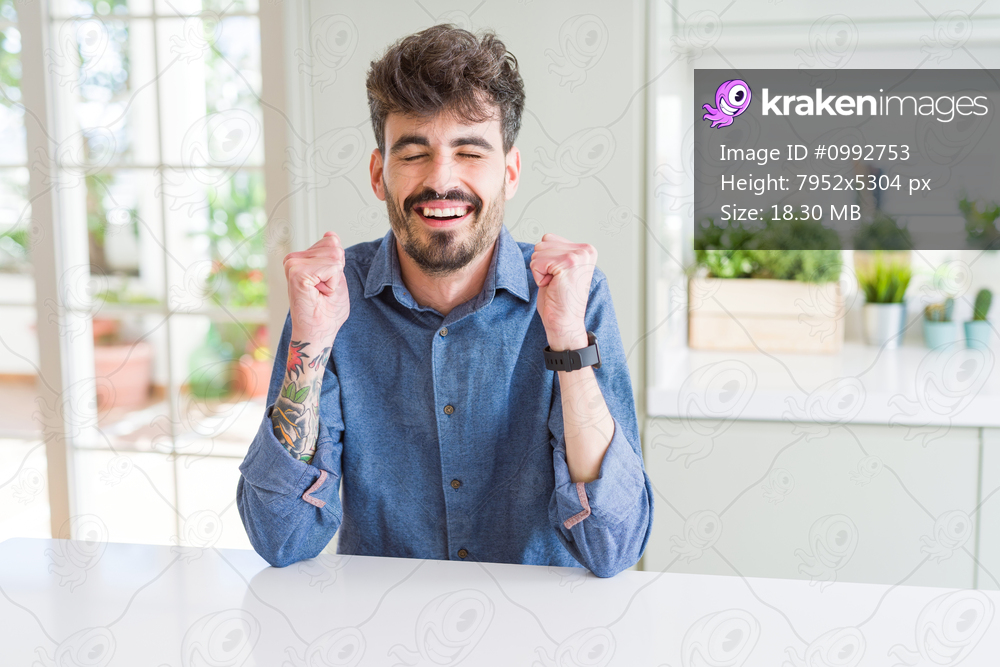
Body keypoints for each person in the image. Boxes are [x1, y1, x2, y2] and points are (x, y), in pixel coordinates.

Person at [236, 24, 653, 578]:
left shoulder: (572, 296)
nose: (441, 180)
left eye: (469, 151)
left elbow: (613, 545)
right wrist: (310, 344)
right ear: (379, 174)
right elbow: (280, 536)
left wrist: (568, 340)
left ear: (509, 172)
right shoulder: (330, 300)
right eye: (414, 154)